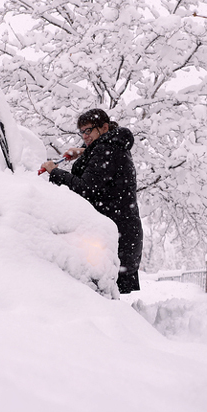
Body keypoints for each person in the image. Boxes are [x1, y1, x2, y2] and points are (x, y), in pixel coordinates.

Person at [41, 109, 143, 294]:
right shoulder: (113, 146)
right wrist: (83, 152)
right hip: (121, 231)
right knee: (103, 296)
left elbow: (86, 189)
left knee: (99, 295)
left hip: (111, 235)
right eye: (82, 132)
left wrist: (54, 172)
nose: (85, 135)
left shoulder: (107, 151)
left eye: (89, 130)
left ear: (104, 128)